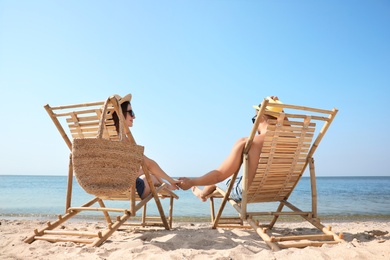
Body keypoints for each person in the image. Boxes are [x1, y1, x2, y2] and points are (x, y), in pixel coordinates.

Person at [178, 96, 283, 202]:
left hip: (248, 193)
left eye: (254, 119)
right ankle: (205, 194)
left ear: (260, 118)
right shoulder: (295, 144)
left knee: (218, 181)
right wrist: (279, 108)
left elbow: (218, 176)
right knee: (233, 179)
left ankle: (202, 194)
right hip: (279, 192)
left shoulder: (247, 142)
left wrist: (192, 182)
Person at [111, 94, 180, 199]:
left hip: (104, 186)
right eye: (131, 113)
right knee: (150, 173)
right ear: (120, 114)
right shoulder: (124, 141)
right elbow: (149, 164)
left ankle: (166, 187)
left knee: (148, 171)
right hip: (130, 188)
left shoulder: (104, 140)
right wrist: (171, 179)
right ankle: (167, 187)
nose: (134, 116)